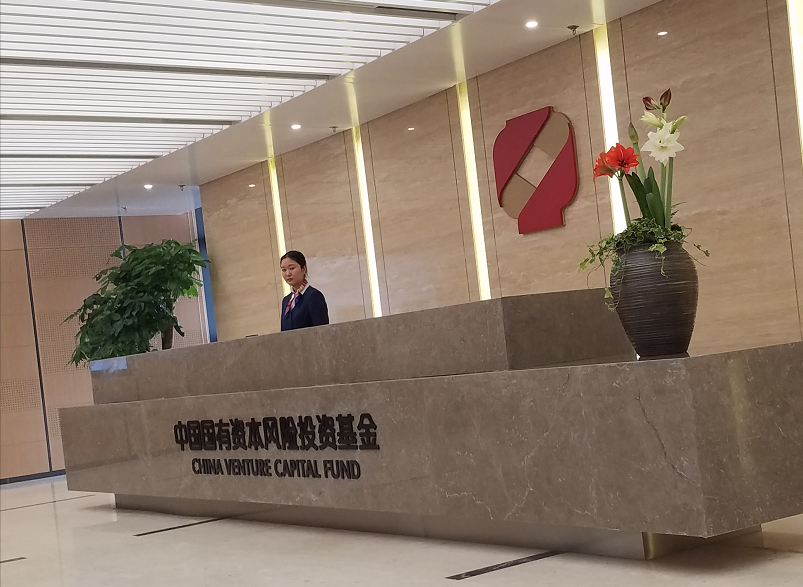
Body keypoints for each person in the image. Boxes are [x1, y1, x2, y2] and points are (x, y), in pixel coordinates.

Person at [279, 250, 329, 331]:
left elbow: (322, 331)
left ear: (303, 269)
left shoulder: (314, 296)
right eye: (284, 270)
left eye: (292, 268)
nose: (288, 273)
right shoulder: (286, 301)